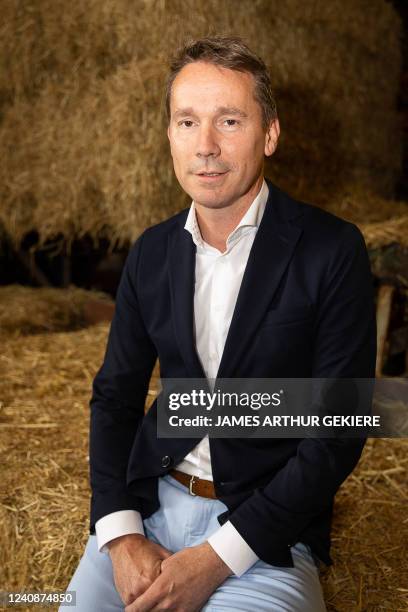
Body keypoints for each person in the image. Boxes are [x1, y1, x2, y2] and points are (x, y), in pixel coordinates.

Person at [63, 36, 377, 611]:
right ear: (169, 136)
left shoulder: (333, 250)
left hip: (265, 537)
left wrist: (216, 560)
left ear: (270, 134)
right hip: (150, 514)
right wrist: (120, 531)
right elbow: (114, 397)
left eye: (229, 121)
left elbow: (339, 427)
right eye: (187, 122)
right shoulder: (152, 252)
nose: (205, 146)